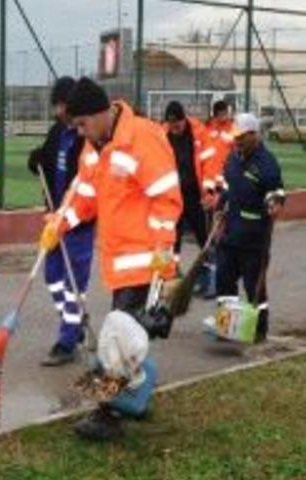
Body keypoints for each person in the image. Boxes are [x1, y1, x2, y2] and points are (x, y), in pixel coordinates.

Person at [40, 77, 183, 441]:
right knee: (129, 337)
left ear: (101, 113)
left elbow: (166, 201)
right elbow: (84, 194)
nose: (80, 132)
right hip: (118, 264)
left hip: (145, 264)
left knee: (116, 338)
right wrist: (61, 222)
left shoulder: (143, 138)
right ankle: (134, 399)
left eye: (82, 124)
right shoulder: (93, 146)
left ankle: (107, 416)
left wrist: (163, 261)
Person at [28, 76, 95, 366]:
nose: (57, 111)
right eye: (55, 105)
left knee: (73, 282)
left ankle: (68, 341)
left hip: (78, 221)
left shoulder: (86, 137)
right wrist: (37, 160)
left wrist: (73, 214)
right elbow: (45, 157)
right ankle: (75, 320)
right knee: (52, 277)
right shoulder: (58, 131)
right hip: (55, 217)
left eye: (61, 105)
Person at [215, 113, 285, 343]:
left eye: (242, 137)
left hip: (254, 238)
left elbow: (276, 191)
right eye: (236, 137)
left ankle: (259, 329)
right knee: (224, 280)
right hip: (230, 233)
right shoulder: (232, 158)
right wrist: (220, 201)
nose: (237, 141)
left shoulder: (267, 163)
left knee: (254, 285)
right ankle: (227, 327)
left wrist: (274, 201)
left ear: (254, 135)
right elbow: (226, 184)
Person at [163, 101, 223, 296]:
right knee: (173, 240)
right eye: (172, 126)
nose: (175, 130)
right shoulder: (162, 135)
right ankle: (174, 280)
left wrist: (209, 191)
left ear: (184, 119)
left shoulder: (199, 133)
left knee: (204, 238)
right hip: (173, 197)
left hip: (195, 197)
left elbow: (210, 164)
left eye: (178, 125)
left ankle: (210, 278)